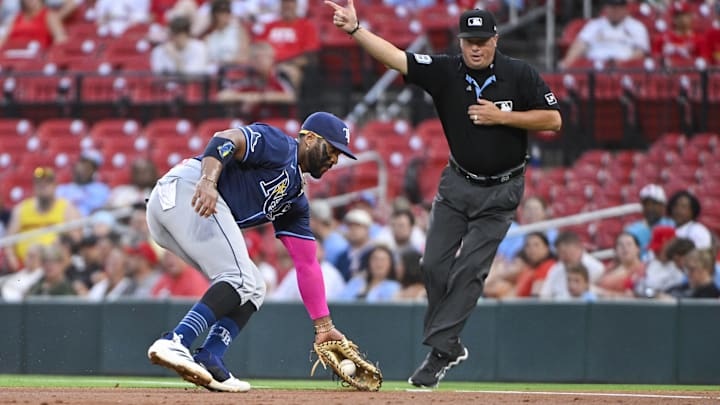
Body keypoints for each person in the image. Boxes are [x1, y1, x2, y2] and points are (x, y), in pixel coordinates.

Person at [325, 2, 561, 387]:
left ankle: (439, 353)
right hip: (456, 184)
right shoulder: (446, 71)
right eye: (470, 41)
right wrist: (355, 30)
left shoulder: (520, 74)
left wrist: (503, 117)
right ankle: (449, 343)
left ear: (496, 40)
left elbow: (553, 119)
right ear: (461, 42)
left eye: (483, 40)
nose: (476, 48)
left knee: (469, 269)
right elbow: (397, 59)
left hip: (501, 192)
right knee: (432, 265)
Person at [144, 111, 358, 392]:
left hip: (178, 213)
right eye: (331, 149)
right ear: (309, 138)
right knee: (238, 276)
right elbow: (225, 139)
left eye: (339, 155)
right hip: (189, 189)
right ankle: (177, 340)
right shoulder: (282, 146)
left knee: (255, 285)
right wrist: (208, 181)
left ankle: (211, 356)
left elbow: (307, 264)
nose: (334, 159)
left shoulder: (294, 201)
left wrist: (324, 326)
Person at [4, 167, 81, 273]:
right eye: (39, 183)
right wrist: (12, 260)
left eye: (48, 182)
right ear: (34, 186)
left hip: (54, 266)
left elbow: (75, 240)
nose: (43, 186)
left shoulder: (67, 208)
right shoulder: (21, 208)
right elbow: (9, 240)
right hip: (22, 268)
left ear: (55, 186)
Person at [558, 0, 649, 69]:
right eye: (612, 6)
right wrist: (567, 62)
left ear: (625, 8)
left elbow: (640, 53)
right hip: (594, 68)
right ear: (606, 8)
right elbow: (579, 45)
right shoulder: (594, 25)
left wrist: (623, 64)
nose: (615, 10)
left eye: (618, 7)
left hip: (624, 69)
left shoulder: (636, 27)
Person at [624, 183, 674, 257]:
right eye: (646, 204)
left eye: (654, 203)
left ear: (663, 206)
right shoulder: (632, 230)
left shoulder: (672, 225)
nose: (650, 208)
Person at [56, 149, 111, 217]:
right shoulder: (61, 190)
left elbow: (101, 212)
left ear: (94, 171)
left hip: (89, 224)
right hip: (62, 225)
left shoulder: (102, 190)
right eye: (83, 163)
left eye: (91, 166)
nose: (86, 168)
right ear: (76, 164)